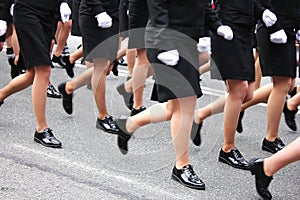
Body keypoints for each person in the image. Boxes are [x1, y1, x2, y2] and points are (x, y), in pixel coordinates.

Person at [115, 0, 233, 190]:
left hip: (188, 38)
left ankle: (129, 124)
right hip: (166, 39)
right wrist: (164, 43)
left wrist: (215, 27)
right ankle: (182, 165)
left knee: (174, 106)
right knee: (186, 102)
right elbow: (157, 5)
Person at [202, 0, 270, 170]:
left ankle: (200, 115)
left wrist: (262, 13)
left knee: (248, 94)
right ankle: (228, 148)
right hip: (227, 28)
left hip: (245, 31)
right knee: (239, 90)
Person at [0, 0, 71, 148]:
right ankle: (41, 129)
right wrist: (2, 15)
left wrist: (63, 2)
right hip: (27, 10)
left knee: (32, 74)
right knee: (44, 69)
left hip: (49, 14)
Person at [255, 0, 299, 154]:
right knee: (282, 84)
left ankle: (239, 107)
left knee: (289, 84)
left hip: (288, 29)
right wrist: (273, 26)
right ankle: (271, 138)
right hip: (273, 30)